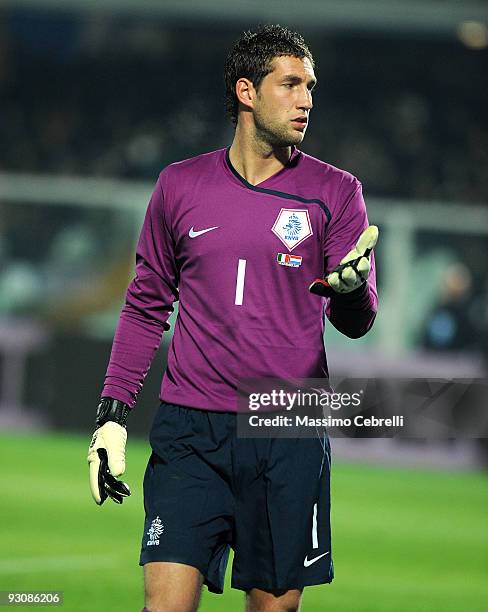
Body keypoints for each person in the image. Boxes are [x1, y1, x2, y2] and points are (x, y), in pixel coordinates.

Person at [87, 25, 378, 612]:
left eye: (311, 87)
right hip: (189, 430)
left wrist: (349, 294)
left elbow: (359, 320)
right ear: (246, 91)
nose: (306, 100)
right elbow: (146, 305)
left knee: (274, 607)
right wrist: (112, 416)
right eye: (290, 84)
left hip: (287, 425)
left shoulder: (337, 192)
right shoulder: (179, 185)